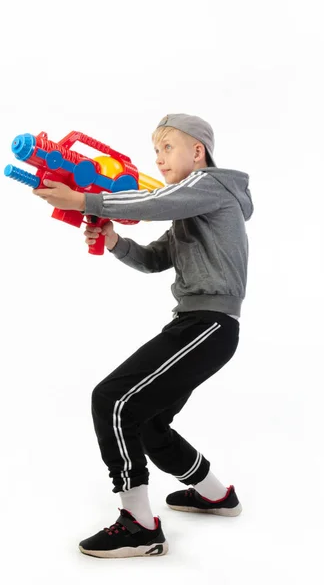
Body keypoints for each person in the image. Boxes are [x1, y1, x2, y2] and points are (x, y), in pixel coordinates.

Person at [33, 113, 254, 558]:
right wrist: (114, 240)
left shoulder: (211, 186)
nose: (158, 158)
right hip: (199, 325)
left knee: (111, 400)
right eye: (155, 150)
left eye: (167, 147)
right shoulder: (191, 207)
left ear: (197, 151)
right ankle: (216, 495)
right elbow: (155, 259)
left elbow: (156, 203)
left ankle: (138, 525)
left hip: (208, 325)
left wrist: (85, 200)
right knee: (150, 423)